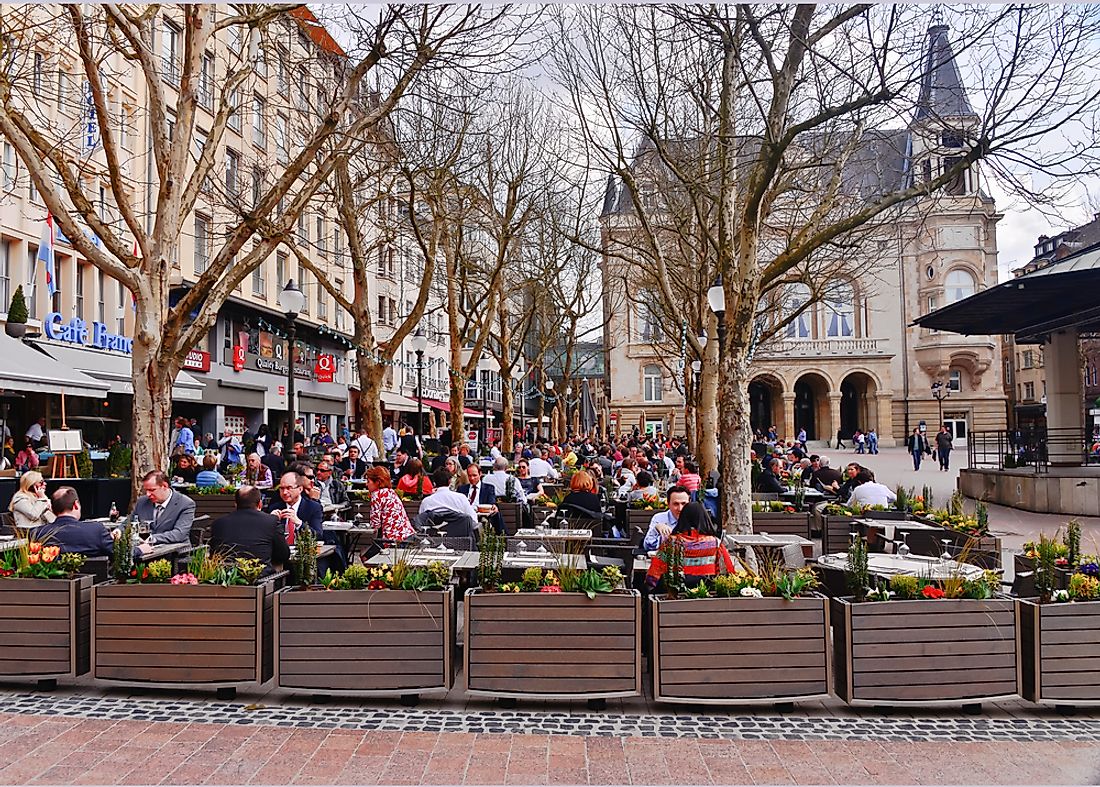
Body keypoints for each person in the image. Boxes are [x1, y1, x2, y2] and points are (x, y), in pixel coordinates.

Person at [645, 502, 734, 590]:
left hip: (677, 595)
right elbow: (729, 569)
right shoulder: (715, 543)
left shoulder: (671, 542)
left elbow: (655, 569)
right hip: (706, 593)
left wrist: (650, 584)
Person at [209, 485, 289, 572]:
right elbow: (283, 555)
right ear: (260, 504)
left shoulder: (218, 523)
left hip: (225, 579)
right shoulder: (271, 521)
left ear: (235, 505)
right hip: (261, 580)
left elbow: (214, 554)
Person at [34, 487, 116, 557]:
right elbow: (116, 554)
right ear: (76, 504)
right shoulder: (97, 531)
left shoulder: (38, 533)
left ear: (52, 508)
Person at [132, 471, 196, 547]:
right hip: (145, 553)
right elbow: (130, 522)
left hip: (175, 554)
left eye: (152, 490)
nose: (148, 494)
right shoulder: (142, 502)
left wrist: (151, 538)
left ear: (165, 486)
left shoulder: (185, 503)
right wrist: (119, 530)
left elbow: (179, 534)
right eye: (146, 490)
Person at [418, 467, 478, 538]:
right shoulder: (461, 498)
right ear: (450, 481)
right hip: (460, 542)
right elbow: (474, 520)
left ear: (434, 483)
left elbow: (421, 523)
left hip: (433, 541)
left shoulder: (426, 502)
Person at [267, 471, 324, 543]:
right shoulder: (275, 507)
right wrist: (270, 522)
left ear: (300, 489)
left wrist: (299, 523)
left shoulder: (313, 507)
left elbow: (318, 535)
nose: (284, 492)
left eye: (289, 488)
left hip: (303, 551)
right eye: (282, 488)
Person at [364, 466, 416, 542]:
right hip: (408, 534)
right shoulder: (391, 492)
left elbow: (375, 524)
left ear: (378, 482)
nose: (366, 484)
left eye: (368, 481)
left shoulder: (376, 494)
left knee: (364, 554)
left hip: (392, 540)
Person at [642, 485, 691, 551]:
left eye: (684, 504)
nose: (680, 508)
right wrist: (656, 529)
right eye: (676, 504)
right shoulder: (659, 518)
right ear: (668, 504)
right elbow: (647, 546)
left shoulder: (695, 518)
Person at [456, 464, 503, 532]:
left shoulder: (488, 488)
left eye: (474, 475)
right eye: (469, 475)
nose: (472, 478)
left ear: (480, 474)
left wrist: (493, 506)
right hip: (465, 518)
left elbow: (491, 502)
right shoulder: (462, 489)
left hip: (482, 517)